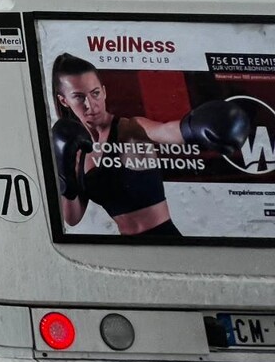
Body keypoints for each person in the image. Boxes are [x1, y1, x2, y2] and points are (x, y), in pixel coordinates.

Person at [50, 53, 251, 237]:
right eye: (79, 97)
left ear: (104, 92)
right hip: (128, 251)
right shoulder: (76, 150)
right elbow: (73, 218)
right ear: (64, 100)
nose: (90, 104)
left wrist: (192, 127)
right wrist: (64, 172)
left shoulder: (131, 128)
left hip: (165, 242)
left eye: (95, 93)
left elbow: (166, 131)